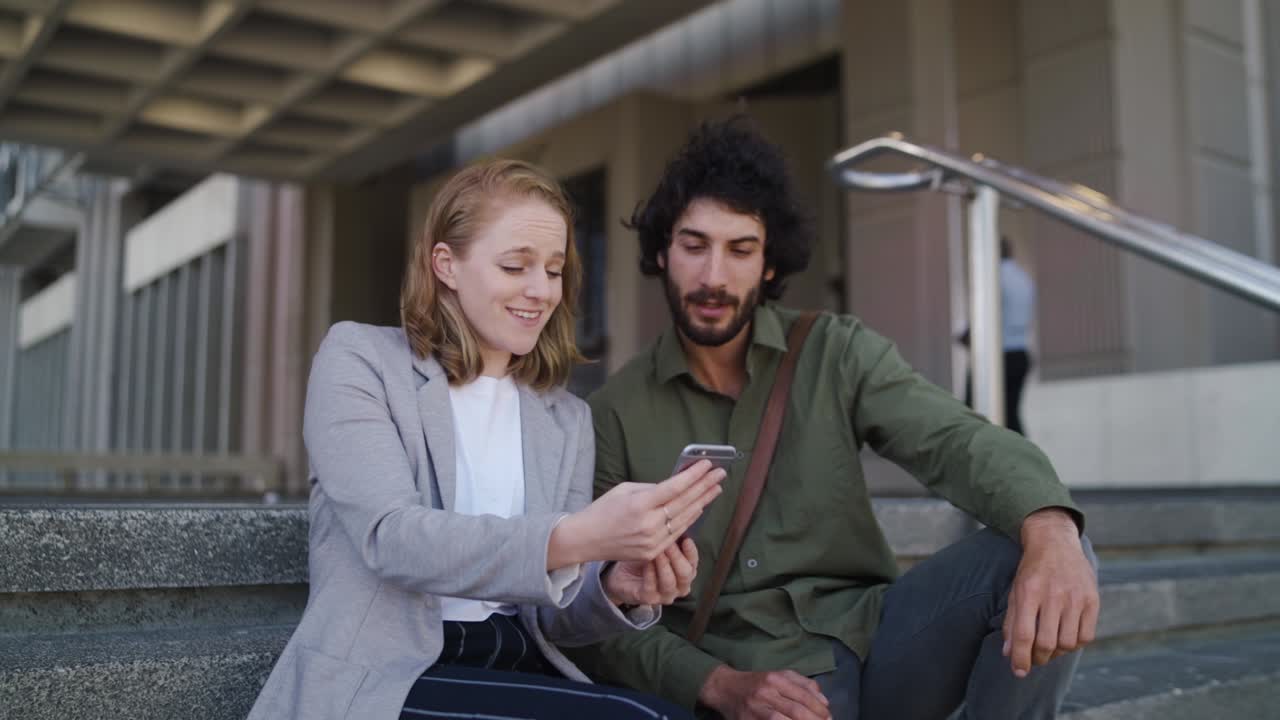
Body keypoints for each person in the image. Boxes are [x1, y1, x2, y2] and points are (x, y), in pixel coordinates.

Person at [566, 118, 1100, 719]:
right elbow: (597, 615)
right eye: (694, 246)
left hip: (877, 643)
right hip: (757, 680)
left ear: (769, 264)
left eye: (740, 249)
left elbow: (954, 440)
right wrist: (715, 683)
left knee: (1047, 550)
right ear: (663, 251)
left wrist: (1052, 530)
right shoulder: (612, 415)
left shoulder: (834, 351)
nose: (714, 276)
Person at [248, 159, 725, 720]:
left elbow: (552, 616)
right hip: (394, 677)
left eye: (553, 270)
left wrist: (618, 585)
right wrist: (576, 538)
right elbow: (391, 538)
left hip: (520, 664)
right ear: (446, 264)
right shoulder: (360, 361)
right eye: (514, 266)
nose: (540, 291)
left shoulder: (564, 418)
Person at [960, 236, 1037, 435]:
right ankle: (1023, 462)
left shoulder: (994, 278)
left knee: (969, 413)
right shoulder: (1024, 278)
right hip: (1020, 356)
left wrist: (966, 336)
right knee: (1011, 415)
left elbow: (984, 315)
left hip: (998, 359)